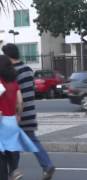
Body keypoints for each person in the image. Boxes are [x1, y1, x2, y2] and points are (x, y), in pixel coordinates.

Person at [2, 44, 55, 180]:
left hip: (17, 113)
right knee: (21, 141)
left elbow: (13, 95)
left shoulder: (11, 72)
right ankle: (16, 171)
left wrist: (16, 113)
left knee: (12, 143)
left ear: (8, 56)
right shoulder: (28, 69)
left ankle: (15, 171)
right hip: (30, 110)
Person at [0, 55, 38, 180]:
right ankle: (14, 170)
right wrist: (18, 116)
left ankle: (6, 175)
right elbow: (20, 102)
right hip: (12, 121)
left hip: (2, 121)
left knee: (1, 153)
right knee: (12, 149)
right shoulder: (14, 83)